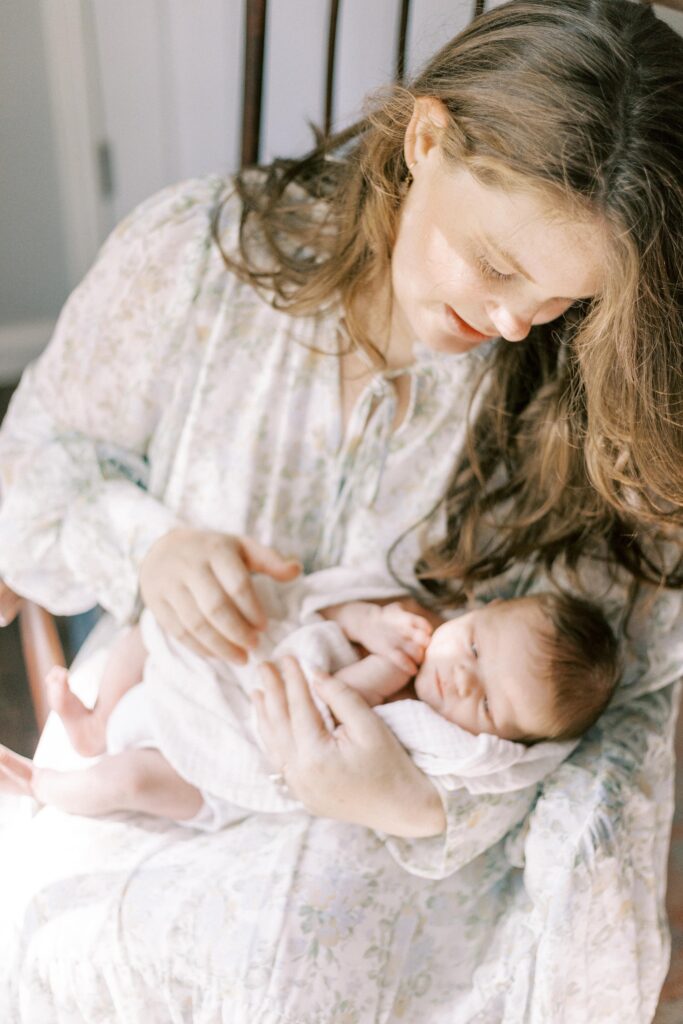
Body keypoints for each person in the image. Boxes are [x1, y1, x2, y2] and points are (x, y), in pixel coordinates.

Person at [0, 0, 680, 1020]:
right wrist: (148, 547)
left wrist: (419, 806)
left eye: (554, 301)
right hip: (173, 730)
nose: (506, 322)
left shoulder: (585, 389)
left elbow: (619, 698)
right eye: (495, 265)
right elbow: (37, 465)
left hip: (407, 816)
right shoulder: (194, 260)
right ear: (425, 139)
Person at [0, 577, 619, 823]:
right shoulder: (415, 623)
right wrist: (368, 621)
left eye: (484, 704)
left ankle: (41, 785)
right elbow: (320, 603)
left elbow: (320, 708)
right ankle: (97, 722)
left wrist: (379, 670)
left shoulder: (422, 733)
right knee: (149, 632)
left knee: (128, 781)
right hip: (213, 686)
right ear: (477, 610)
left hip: (218, 764)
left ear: (497, 739)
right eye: (477, 650)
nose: (460, 679)